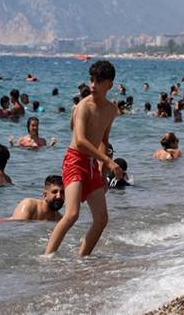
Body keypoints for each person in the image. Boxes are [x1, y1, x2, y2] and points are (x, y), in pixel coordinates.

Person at [45, 60, 123, 256]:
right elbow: (80, 141)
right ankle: (47, 257)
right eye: (91, 80)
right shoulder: (83, 106)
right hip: (74, 160)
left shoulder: (111, 110)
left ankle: (82, 258)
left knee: (102, 218)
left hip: (91, 163)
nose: (93, 85)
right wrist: (108, 161)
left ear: (110, 85)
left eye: (98, 81)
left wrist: (102, 169)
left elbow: (104, 140)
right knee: (72, 214)